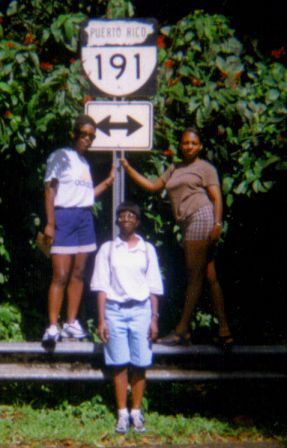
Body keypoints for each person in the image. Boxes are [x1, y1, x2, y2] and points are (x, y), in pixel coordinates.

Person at [121, 126, 233, 347]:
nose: (188, 147)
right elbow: (153, 186)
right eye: (185, 143)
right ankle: (224, 331)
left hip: (200, 217)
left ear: (200, 146)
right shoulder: (174, 168)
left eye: (193, 143)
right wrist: (127, 168)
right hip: (186, 223)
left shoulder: (205, 168)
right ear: (180, 145)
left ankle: (182, 331)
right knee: (208, 275)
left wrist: (218, 223)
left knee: (194, 277)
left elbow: (217, 197)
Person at [90, 201, 163, 434]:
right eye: (122, 215)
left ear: (138, 221)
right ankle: (122, 414)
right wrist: (101, 320)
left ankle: (136, 413)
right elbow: (101, 286)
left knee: (140, 362)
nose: (126, 218)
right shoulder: (108, 249)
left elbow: (153, 286)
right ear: (117, 221)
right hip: (114, 311)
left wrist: (154, 318)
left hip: (141, 310)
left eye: (132, 215)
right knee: (119, 363)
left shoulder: (147, 249)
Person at [42, 114, 115, 346]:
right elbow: (50, 191)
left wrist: (109, 181)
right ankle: (53, 326)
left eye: (91, 136)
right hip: (64, 216)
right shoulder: (60, 156)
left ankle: (71, 323)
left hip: (84, 218)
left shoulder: (85, 163)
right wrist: (51, 223)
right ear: (74, 134)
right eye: (83, 134)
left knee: (78, 274)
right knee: (60, 275)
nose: (87, 139)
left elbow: (87, 196)